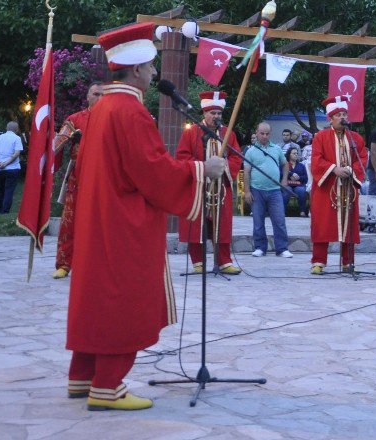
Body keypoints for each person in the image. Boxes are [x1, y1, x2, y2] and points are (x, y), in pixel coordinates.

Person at [66, 22, 225, 411]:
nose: (155, 74)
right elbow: (153, 172)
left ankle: (82, 376)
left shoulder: (101, 108)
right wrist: (204, 170)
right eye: (152, 67)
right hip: (123, 225)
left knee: (97, 298)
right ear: (136, 69)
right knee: (124, 299)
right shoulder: (131, 112)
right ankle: (107, 387)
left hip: (100, 219)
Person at [175, 91, 243, 274]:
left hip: (221, 188)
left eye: (219, 113)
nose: (216, 116)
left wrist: (224, 167)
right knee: (197, 225)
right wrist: (203, 168)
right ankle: (198, 262)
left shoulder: (228, 134)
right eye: (213, 113)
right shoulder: (192, 132)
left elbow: (237, 157)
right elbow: (182, 156)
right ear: (204, 113)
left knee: (222, 224)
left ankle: (224, 262)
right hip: (198, 186)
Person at [51, 82, 103, 279]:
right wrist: (71, 137)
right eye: (96, 94)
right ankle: (64, 264)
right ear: (88, 96)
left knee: (101, 223)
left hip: (104, 179)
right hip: (78, 177)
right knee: (69, 221)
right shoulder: (75, 119)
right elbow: (56, 146)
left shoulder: (112, 119)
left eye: (103, 95)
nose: (99, 98)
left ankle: (97, 265)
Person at [309, 96, 367, 274]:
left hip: (348, 187)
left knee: (348, 225)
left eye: (344, 114)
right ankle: (318, 262)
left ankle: (348, 262)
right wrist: (334, 169)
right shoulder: (321, 137)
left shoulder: (355, 137)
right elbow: (316, 160)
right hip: (327, 188)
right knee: (323, 224)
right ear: (330, 118)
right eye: (339, 114)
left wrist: (350, 169)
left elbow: (362, 157)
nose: (343, 117)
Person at [243, 122, 292, 258]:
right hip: (256, 190)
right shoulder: (250, 151)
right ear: (257, 133)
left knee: (279, 220)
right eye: (262, 133)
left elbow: (285, 164)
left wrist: (284, 180)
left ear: (270, 134)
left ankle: (282, 248)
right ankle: (260, 247)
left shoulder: (276, 149)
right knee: (258, 221)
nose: (264, 136)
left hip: (275, 190)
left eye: (267, 134)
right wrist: (247, 191)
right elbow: (246, 172)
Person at [0, 121, 23, 214]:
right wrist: (6, 163)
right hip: (12, 169)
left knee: (1, 189)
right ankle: (5, 210)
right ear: (17, 129)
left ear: (6, 128)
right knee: (9, 189)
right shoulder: (17, 138)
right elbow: (16, 153)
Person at [285, 147, 310, 216]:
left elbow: (305, 178)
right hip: (287, 184)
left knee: (301, 191)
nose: (296, 155)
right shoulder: (285, 164)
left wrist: (298, 178)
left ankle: (302, 211)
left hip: (298, 184)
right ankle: (282, 211)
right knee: (286, 190)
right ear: (289, 155)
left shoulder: (301, 165)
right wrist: (290, 174)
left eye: (297, 153)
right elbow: (280, 174)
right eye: (294, 153)